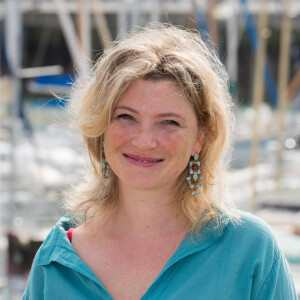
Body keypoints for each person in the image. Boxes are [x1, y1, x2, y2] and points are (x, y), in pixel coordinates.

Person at [23, 24, 297, 300]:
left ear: (200, 137)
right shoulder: (57, 261)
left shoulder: (249, 252)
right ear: (101, 127)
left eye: (169, 122)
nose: (144, 141)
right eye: (126, 117)